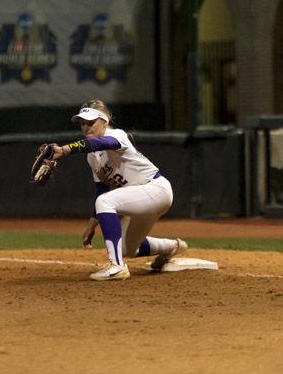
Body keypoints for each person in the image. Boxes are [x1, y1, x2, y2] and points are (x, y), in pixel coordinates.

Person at [50, 99, 188, 281]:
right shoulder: (92, 158)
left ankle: (117, 267)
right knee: (126, 249)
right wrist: (92, 225)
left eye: (91, 122)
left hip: (156, 190)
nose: (85, 127)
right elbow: (101, 188)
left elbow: (99, 143)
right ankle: (172, 247)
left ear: (105, 121)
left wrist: (64, 150)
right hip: (138, 199)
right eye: (82, 123)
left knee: (106, 201)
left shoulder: (117, 135)